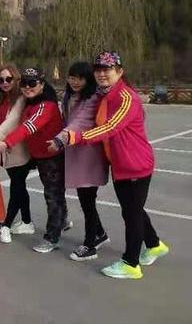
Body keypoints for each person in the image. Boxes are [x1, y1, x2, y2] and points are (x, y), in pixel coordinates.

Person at [62, 52, 169, 279]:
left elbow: (110, 127)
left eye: (107, 69)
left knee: (131, 214)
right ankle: (154, 244)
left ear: (119, 72)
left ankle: (131, 264)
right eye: (98, 69)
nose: (101, 73)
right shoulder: (105, 95)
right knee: (133, 209)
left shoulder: (125, 97)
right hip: (120, 164)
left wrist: (75, 137)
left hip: (135, 164)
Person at [0, 68, 68, 253]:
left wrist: (6, 142)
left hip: (52, 157)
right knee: (55, 195)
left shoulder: (45, 105)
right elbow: (13, 120)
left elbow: (28, 127)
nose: (27, 87)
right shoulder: (28, 101)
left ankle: (52, 238)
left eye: (32, 83)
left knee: (53, 197)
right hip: (39, 156)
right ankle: (70, 224)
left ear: (41, 84)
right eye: (24, 83)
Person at [50, 62, 109, 261]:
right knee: (86, 199)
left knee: (87, 200)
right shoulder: (69, 95)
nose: (75, 82)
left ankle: (89, 245)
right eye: (72, 77)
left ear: (88, 79)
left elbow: (80, 122)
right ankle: (99, 233)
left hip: (89, 154)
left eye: (81, 78)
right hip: (75, 151)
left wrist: (60, 138)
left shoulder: (93, 98)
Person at [0, 65, 33, 244]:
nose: (4, 83)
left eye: (8, 79)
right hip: (5, 148)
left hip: (18, 148)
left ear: (16, 79)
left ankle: (6, 225)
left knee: (16, 186)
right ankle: (27, 222)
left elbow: (11, 121)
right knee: (19, 186)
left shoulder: (20, 98)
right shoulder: (1, 99)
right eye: (1, 80)